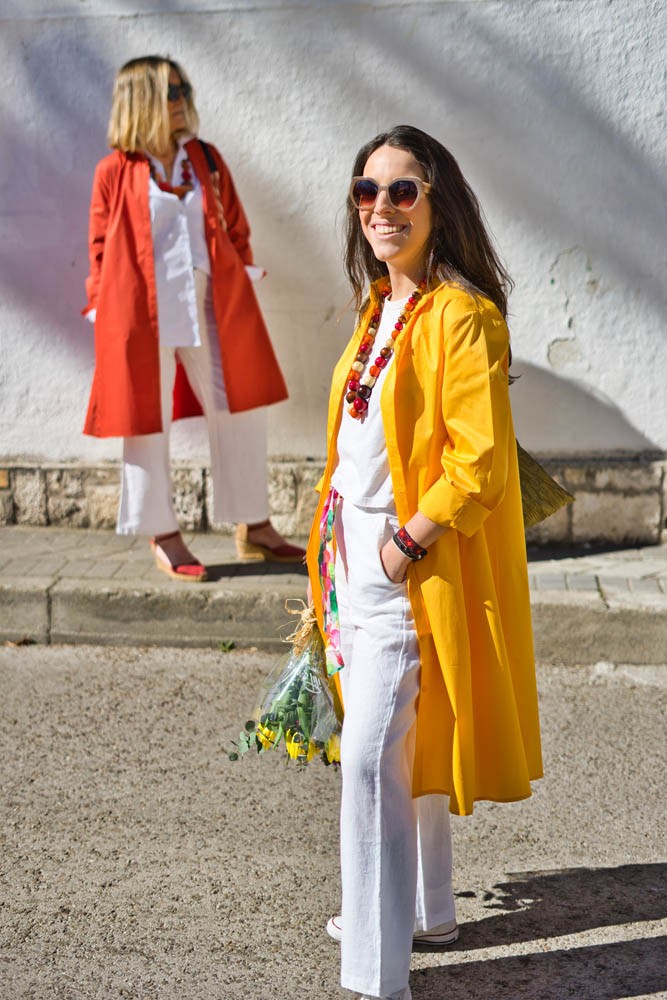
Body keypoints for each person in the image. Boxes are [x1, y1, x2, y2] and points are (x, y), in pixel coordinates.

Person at [305, 126, 543, 1000]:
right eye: (365, 191)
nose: (379, 208)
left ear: (439, 202)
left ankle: (375, 976)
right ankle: (426, 907)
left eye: (402, 191)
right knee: (403, 744)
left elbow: (477, 460)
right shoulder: (381, 305)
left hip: (409, 568)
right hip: (351, 564)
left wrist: (406, 542)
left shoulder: (461, 315)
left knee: (369, 758)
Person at [82, 55, 305, 580]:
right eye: (169, 91)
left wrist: (243, 271)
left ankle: (255, 525)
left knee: (242, 405)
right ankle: (162, 531)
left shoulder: (204, 158)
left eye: (183, 87)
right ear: (141, 102)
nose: (182, 98)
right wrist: (101, 306)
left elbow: (236, 226)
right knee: (145, 417)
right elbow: (98, 246)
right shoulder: (115, 170)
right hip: (138, 307)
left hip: (212, 299)